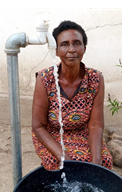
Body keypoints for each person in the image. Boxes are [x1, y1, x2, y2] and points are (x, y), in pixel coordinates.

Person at [32, 20, 113, 171]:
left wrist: (96, 164)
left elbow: (95, 125)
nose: (71, 49)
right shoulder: (45, 78)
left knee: (104, 162)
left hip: (82, 133)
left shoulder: (95, 79)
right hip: (51, 134)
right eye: (64, 44)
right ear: (56, 51)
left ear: (84, 48)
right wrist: (64, 157)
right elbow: (38, 126)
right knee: (58, 166)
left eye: (76, 43)